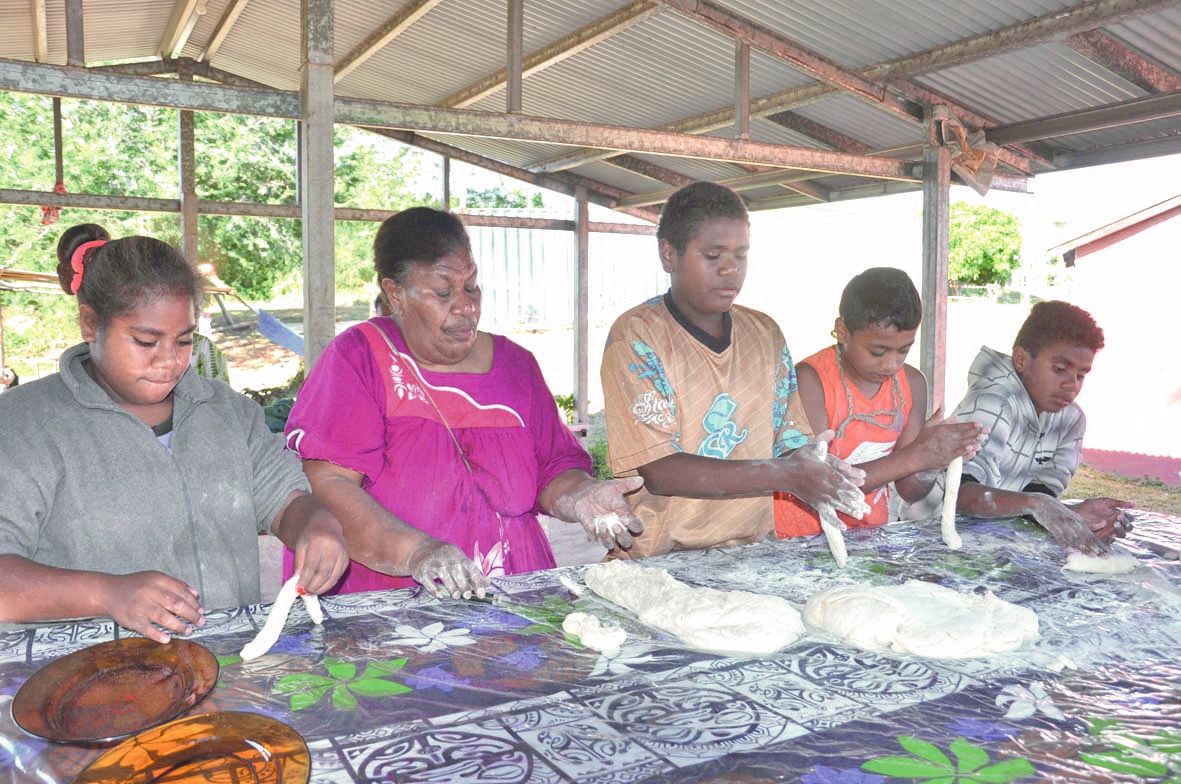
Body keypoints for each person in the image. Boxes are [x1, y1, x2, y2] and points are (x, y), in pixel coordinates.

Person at [0, 223, 349, 643]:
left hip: (224, 665)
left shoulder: (227, 414)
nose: (169, 361)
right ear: (90, 325)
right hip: (88, 681)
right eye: (146, 342)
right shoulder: (25, 426)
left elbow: (286, 502)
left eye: (183, 342)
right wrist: (108, 593)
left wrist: (316, 524)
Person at [284, 207, 643, 597]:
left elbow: (552, 468)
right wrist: (417, 552)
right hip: (395, 606)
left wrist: (582, 496)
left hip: (513, 592)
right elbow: (328, 485)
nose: (466, 306)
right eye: (443, 292)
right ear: (396, 295)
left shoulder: (516, 365)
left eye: (471, 287)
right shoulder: (361, 358)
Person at [600, 181, 867, 559]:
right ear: (668, 255)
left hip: (752, 553)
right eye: (713, 255)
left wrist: (810, 461)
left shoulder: (765, 334)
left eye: (741, 255)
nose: (730, 269)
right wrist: (786, 475)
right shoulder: (637, 337)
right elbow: (659, 471)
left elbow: (786, 440)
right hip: (659, 559)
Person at [775, 268, 985, 536]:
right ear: (842, 331)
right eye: (878, 351)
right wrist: (916, 455)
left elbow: (909, 490)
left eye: (904, 350)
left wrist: (933, 460)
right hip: (800, 536)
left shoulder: (912, 385)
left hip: (869, 535)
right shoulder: (811, 381)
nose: (891, 364)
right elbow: (819, 482)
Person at [909, 300, 1124, 553]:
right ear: (1021, 360)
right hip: (929, 535)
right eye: (1060, 369)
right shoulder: (993, 401)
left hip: (990, 539)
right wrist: (1037, 504)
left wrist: (1074, 515)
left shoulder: (1071, 420)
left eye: (1081, 375)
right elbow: (962, 496)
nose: (1071, 385)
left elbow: (1039, 493)